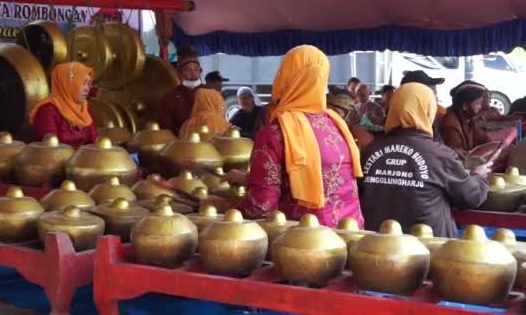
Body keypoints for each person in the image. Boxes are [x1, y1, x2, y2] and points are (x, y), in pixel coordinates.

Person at [231, 45, 364, 228]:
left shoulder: (276, 132)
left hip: (302, 245)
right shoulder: (336, 124)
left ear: (285, 77)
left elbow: (262, 206)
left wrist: (226, 208)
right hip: (350, 236)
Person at [359, 83, 490, 238]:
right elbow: (471, 196)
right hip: (428, 251)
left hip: (374, 248)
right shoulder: (440, 155)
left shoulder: (369, 151)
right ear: (428, 111)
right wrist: (478, 177)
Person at [29, 62, 97, 149]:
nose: (87, 88)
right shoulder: (47, 111)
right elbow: (51, 149)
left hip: (84, 160)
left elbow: (95, 142)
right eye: (83, 83)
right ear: (66, 84)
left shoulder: (84, 108)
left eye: (88, 84)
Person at [158, 46, 206, 135]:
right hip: (180, 144)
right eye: (188, 69)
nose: (193, 74)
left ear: (200, 71)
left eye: (196, 69)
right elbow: (165, 130)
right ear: (179, 73)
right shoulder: (169, 97)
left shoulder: (211, 93)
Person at [438, 81, 491, 159]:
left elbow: (485, 140)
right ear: (465, 106)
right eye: (478, 103)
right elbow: (456, 156)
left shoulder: (469, 117)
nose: (480, 107)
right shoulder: (449, 124)